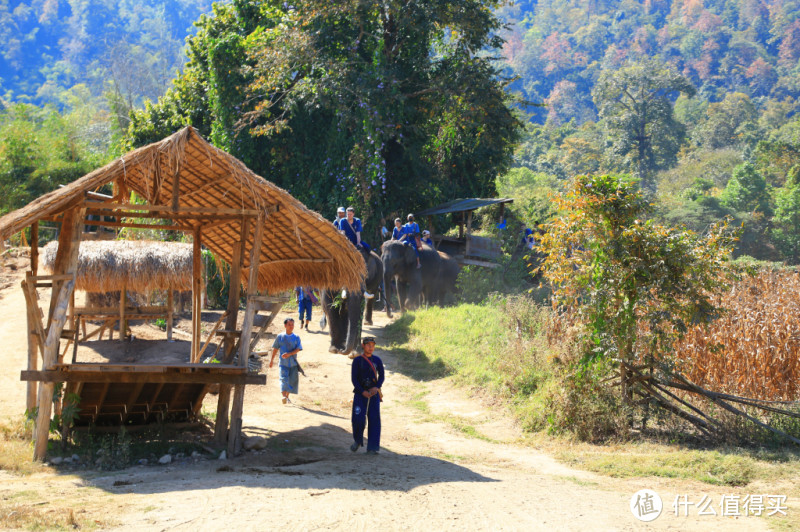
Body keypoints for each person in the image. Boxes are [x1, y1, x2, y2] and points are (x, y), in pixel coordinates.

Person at [350, 336, 384, 454]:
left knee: (374, 419)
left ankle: (373, 448)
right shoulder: (357, 361)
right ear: (363, 346)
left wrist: (376, 387)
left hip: (374, 394)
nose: (371, 347)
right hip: (360, 394)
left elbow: (382, 376)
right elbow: (354, 379)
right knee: (358, 419)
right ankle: (358, 440)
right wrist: (362, 391)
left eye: (372, 345)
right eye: (368, 345)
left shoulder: (378, 360)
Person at [270, 318, 303, 404]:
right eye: (289, 325)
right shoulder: (280, 336)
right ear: (285, 326)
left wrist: (289, 354)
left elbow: (298, 349)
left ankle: (286, 397)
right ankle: (284, 396)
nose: (291, 326)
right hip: (283, 363)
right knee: (283, 379)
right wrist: (271, 360)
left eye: (292, 324)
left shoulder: (296, 337)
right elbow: (275, 348)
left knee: (292, 381)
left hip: (293, 363)